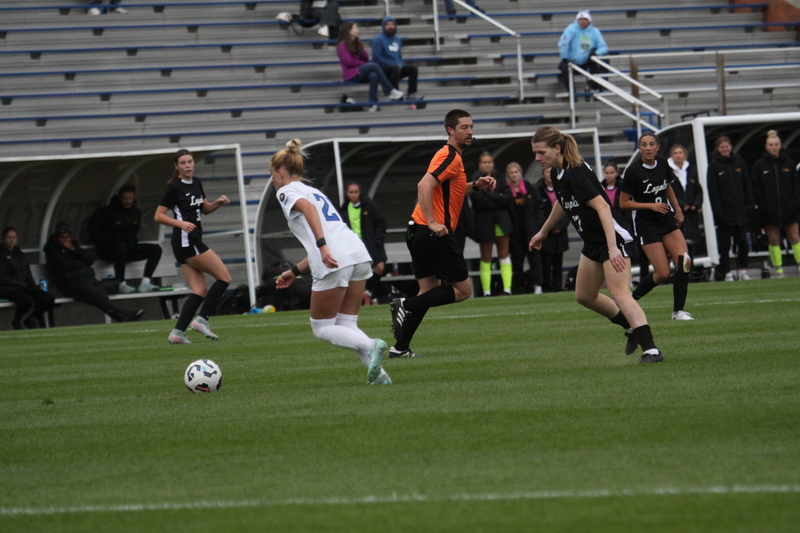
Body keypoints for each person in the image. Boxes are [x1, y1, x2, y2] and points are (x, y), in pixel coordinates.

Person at [529, 126, 664, 364]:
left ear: (557, 148)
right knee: (584, 296)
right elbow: (563, 203)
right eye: (535, 153)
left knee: (620, 294)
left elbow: (603, 207)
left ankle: (652, 351)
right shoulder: (558, 173)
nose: (537, 158)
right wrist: (543, 231)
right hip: (593, 241)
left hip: (612, 238)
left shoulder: (576, 172)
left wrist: (612, 248)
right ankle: (631, 328)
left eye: (541, 152)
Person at [271, 139, 391, 385]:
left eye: (272, 174)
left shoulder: (286, 191)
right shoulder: (314, 191)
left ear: (281, 172)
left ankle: (371, 344)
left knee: (322, 327)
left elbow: (309, 211)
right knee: (346, 323)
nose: (272, 179)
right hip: (357, 254)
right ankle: (380, 376)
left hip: (335, 258)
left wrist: (322, 245)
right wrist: (295, 271)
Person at [389, 109, 496, 358]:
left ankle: (400, 348)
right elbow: (424, 186)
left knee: (428, 293)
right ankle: (404, 304)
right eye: (464, 127)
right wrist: (433, 222)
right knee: (464, 291)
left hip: (417, 232)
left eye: (471, 127)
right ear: (450, 130)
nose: (470, 132)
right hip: (432, 233)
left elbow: (448, 190)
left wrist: (475, 186)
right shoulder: (450, 155)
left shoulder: (449, 156)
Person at [155, 149, 232, 344]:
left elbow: (204, 209)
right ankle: (201, 320)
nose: (187, 165)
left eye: (189, 162)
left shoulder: (196, 182)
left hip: (189, 241)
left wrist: (218, 202)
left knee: (199, 290)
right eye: (183, 163)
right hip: (187, 242)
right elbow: (159, 216)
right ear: (177, 166)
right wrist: (180, 223)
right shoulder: (174, 187)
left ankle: (178, 332)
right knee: (224, 277)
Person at [620, 132, 694, 321]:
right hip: (646, 225)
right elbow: (623, 203)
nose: (648, 148)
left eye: (651, 144)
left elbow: (667, 187)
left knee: (684, 262)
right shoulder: (633, 171)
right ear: (639, 148)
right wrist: (650, 205)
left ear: (658, 147)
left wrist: (677, 209)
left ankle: (678, 311)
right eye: (644, 144)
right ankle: (632, 298)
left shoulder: (662, 163)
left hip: (666, 220)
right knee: (662, 273)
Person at [43, 221, 144, 323]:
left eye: (67, 237)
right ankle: (126, 314)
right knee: (98, 296)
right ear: (57, 238)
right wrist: (82, 263)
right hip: (71, 284)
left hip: (87, 279)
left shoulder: (73, 246)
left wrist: (73, 249)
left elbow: (90, 260)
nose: (65, 240)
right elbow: (64, 265)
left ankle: (122, 318)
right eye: (62, 237)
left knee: (102, 296)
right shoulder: (52, 249)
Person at [88, 184, 163, 294]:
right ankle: (121, 283)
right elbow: (92, 230)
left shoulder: (135, 212)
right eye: (125, 199)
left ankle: (145, 283)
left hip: (129, 247)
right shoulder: (107, 212)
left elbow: (135, 230)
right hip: (110, 250)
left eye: (130, 199)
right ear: (120, 198)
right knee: (120, 249)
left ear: (134, 197)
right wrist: (107, 242)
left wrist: (131, 242)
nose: (127, 202)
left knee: (156, 249)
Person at [751, 130, 800, 278]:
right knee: (773, 240)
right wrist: (763, 205)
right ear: (766, 147)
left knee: (795, 237)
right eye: (771, 145)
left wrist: (794, 202)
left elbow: (796, 185)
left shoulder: (788, 163)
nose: (773, 147)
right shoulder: (759, 165)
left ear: (780, 146)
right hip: (769, 211)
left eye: (776, 144)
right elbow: (756, 188)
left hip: (789, 209)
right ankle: (778, 270)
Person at [706, 136, 754, 281]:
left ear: (731, 146)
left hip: (740, 211)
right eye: (722, 147)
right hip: (724, 213)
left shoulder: (739, 161)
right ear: (717, 149)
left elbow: (747, 183)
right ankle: (727, 272)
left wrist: (750, 204)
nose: (724, 149)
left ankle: (743, 270)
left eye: (726, 146)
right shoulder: (714, 166)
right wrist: (718, 212)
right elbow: (712, 191)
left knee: (743, 241)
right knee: (725, 244)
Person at [470, 152, 514, 296]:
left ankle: (507, 289)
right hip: (484, 222)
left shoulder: (500, 179)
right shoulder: (475, 180)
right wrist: (498, 198)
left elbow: (508, 199)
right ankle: (487, 291)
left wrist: (489, 196)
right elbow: (479, 202)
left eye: (489, 162)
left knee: (504, 254)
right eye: (484, 162)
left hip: (501, 222)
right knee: (486, 256)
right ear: (479, 164)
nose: (487, 165)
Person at [337, 22, 404, 112]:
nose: (357, 30)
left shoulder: (356, 43)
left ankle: (373, 104)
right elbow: (348, 62)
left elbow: (366, 58)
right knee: (374, 65)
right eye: (355, 28)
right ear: (349, 31)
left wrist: (360, 49)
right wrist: (362, 64)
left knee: (373, 75)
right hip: (351, 74)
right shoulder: (342, 45)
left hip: (359, 72)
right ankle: (389, 90)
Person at [339, 182, 388, 304]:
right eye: (351, 192)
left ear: (360, 193)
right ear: (346, 194)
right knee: (358, 271)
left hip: (371, 243)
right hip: (354, 245)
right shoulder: (344, 209)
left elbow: (381, 223)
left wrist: (378, 239)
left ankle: (368, 291)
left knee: (380, 267)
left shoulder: (369, 206)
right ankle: (366, 296)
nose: (353, 195)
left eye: (356, 192)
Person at [0, 227, 56, 329]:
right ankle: (16, 320)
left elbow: (27, 272)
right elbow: (3, 277)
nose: (12, 240)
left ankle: (31, 319)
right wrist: (23, 285)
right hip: (8, 288)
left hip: (24, 287)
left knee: (48, 298)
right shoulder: (1, 255)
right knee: (26, 300)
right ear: (3, 239)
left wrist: (32, 286)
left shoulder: (20, 254)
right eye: (9, 237)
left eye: (14, 237)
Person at [505, 161, 545, 294]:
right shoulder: (505, 191)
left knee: (535, 260)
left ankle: (537, 285)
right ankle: (518, 287)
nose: (514, 175)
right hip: (514, 232)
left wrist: (538, 224)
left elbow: (539, 206)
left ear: (520, 173)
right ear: (508, 175)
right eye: (511, 172)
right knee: (517, 261)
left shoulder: (530, 188)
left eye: (516, 172)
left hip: (530, 231)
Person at [533, 164, 569, 292]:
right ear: (543, 174)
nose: (549, 175)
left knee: (558, 262)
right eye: (547, 172)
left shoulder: (562, 187)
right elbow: (538, 212)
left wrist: (560, 226)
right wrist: (547, 228)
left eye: (551, 172)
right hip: (546, 233)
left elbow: (567, 208)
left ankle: (558, 287)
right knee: (546, 262)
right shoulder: (537, 189)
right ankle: (546, 287)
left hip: (560, 232)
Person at [371, 17, 421, 101]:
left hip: (396, 67)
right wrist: (389, 63)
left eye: (392, 24)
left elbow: (399, 56)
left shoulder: (397, 39)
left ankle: (411, 93)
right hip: (384, 69)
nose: (390, 26)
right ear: (383, 26)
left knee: (413, 69)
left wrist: (399, 64)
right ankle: (395, 93)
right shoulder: (378, 39)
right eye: (387, 25)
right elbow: (376, 57)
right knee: (395, 68)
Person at [667, 144, 704, 258]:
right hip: (676, 213)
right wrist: (682, 205)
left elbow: (698, 190)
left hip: (691, 213)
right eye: (675, 153)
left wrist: (695, 204)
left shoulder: (691, 170)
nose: (678, 155)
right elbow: (668, 192)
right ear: (671, 156)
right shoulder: (668, 172)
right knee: (678, 243)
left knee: (691, 242)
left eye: (680, 153)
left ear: (684, 155)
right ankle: (679, 266)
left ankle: (690, 266)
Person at [557, 10, 608, 92]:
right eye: (580, 19)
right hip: (572, 61)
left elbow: (603, 47)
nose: (582, 21)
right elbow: (563, 43)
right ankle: (572, 93)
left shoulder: (594, 31)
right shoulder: (570, 29)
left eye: (585, 19)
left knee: (604, 58)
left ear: (589, 21)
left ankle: (602, 85)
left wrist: (596, 53)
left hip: (588, 61)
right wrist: (565, 57)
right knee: (564, 67)